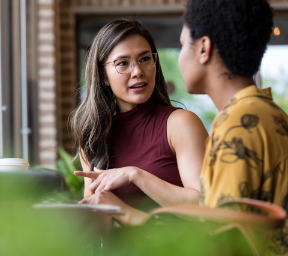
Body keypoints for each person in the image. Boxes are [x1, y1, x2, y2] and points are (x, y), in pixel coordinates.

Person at [71, 19, 208, 226]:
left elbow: (205, 208)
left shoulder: (180, 124)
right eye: (123, 63)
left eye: (145, 59)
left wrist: (135, 175)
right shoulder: (92, 136)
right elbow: (98, 222)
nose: (137, 71)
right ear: (103, 75)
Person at [179, 0, 288, 254]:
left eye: (183, 44)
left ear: (204, 48)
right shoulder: (271, 114)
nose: (181, 55)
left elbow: (222, 240)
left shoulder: (237, 124)